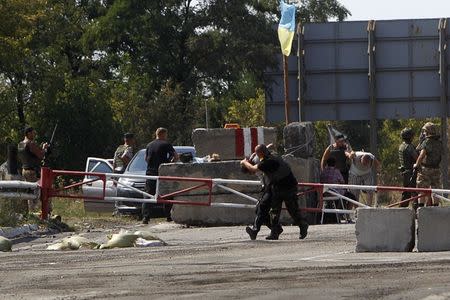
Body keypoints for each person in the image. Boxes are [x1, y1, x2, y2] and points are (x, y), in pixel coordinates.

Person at [241, 144, 308, 240]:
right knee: (274, 211)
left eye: (257, 153)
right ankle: (274, 232)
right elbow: (270, 145)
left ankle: (303, 225)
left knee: (292, 209)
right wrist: (253, 155)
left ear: (260, 153)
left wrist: (244, 162)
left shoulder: (267, 162)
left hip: (288, 186)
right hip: (277, 186)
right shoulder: (272, 153)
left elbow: (252, 168)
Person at [142, 128, 179, 224]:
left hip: (150, 173)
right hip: (162, 172)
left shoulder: (149, 145)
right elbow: (176, 156)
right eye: (166, 135)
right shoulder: (166, 144)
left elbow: (146, 158)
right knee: (167, 194)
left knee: (148, 194)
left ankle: (146, 217)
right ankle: (168, 216)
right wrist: (170, 163)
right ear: (163, 134)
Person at [17, 126, 49, 211]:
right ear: (28, 133)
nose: (34, 134)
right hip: (32, 171)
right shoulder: (30, 143)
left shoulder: (20, 144)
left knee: (28, 191)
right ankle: (37, 211)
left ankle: (30, 211)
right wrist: (44, 148)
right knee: (37, 191)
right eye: (33, 133)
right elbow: (41, 155)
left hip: (24, 170)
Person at [414, 122, 442, 207]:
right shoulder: (439, 143)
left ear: (428, 131)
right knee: (435, 189)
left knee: (421, 189)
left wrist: (416, 164)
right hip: (436, 169)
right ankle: (436, 207)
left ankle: (420, 208)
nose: (424, 133)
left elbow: (422, 155)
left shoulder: (427, 142)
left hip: (425, 169)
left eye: (425, 131)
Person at [320, 157, 353, 223]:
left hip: (325, 193)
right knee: (351, 197)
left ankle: (339, 214)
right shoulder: (336, 171)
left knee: (342, 196)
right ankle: (347, 215)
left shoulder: (323, 172)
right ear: (335, 164)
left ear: (327, 164)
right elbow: (342, 182)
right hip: (335, 193)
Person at [398, 128, 418, 208]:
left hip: (406, 172)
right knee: (413, 193)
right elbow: (417, 158)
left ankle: (402, 211)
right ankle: (415, 210)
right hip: (410, 172)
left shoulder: (402, 146)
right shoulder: (409, 147)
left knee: (407, 193)